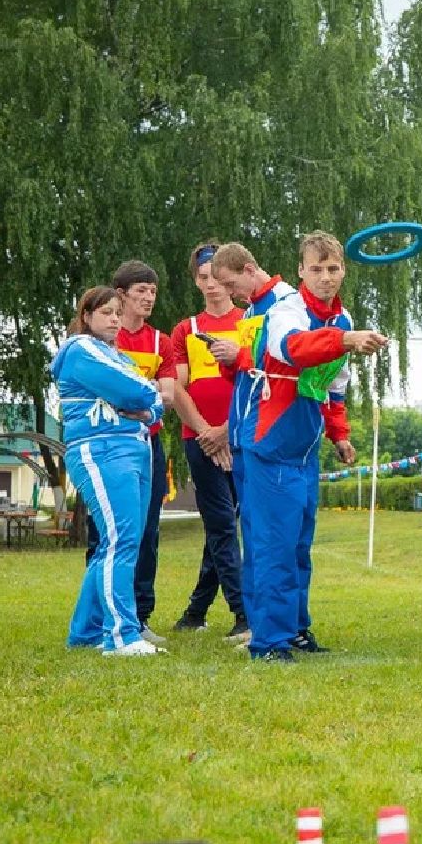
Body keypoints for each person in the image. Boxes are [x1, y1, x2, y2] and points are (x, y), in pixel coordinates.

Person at [210, 237, 382, 661]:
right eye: (317, 269)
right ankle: (268, 641)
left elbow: (333, 385)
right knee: (272, 544)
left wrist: (339, 434)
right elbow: (291, 349)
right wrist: (343, 341)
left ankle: (296, 630)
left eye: (334, 269)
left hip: (305, 443)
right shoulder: (285, 309)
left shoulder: (343, 317)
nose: (326, 277)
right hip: (270, 438)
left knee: (299, 545)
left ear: (343, 270)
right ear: (302, 271)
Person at [51, 286, 165, 656]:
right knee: (121, 542)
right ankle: (121, 636)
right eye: (106, 313)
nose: (115, 319)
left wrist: (148, 403)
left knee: (114, 544)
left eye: (118, 313)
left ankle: (85, 632)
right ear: (86, 316)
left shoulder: (116, 355)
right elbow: (138, 392)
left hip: (132, 449)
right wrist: (148, 399)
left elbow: (155, 403)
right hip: (102, 450)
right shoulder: (79, 350)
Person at [82, 261, 177, 643]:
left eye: (153, 292)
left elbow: (167, 396)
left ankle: (140, 614)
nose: (148, 298)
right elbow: (106, 392)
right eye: (140, 291)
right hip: (105, 444)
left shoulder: (161, 343)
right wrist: (143, 390)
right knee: (105, 534)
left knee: (145, 531)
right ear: (119, 295)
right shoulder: (99, 340)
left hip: (146, 443)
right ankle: (103, 617)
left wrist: (139, 395)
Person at [167, 241, 250, 641]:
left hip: (244, 439)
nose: (213, 285)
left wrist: (228, 432)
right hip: (199, 441)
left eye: (218, 277)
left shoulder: (250, 320)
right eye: (204, 278)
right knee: (220, 526)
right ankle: (243, 614)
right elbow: (176, 389)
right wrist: (206, 432)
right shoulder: (186, 329)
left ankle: (197, 610)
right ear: (196, 281)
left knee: (229, 527)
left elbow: (255, 383)